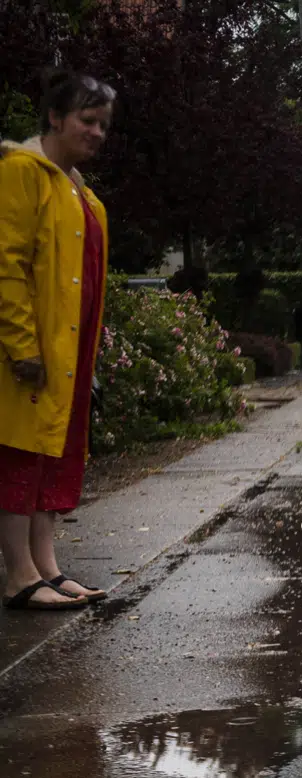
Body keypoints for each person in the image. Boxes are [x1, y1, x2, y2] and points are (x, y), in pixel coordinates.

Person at [0, 69, 116, 611]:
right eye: (86, 120)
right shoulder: (23, 172)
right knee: (21, 455)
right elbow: (7, 264)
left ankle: (46, 566)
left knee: (53, 455)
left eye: (103, 125)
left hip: (68, 354)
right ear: (54, 117)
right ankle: (18, 575)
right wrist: (22, 345)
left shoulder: (85, 197)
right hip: (29, 355)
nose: (96, 132)